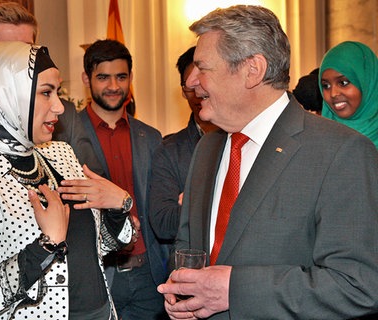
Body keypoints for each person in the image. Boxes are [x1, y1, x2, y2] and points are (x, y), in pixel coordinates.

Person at [159, 5, 378, 320]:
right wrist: (185, 291)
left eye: (203, 67)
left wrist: (235, 289)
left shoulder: (343, 153)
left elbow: (358, 284)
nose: (192, 82)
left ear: (252, 70)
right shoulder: (207, 148)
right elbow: (187, 246)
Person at [0, 41, 134, 319]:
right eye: (46, 93)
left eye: (58, 92)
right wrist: (46, 245)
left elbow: (97, 247)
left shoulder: (61, 154)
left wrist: (118, 207)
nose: (58, 107)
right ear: (7, 96)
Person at [58, 39, 167, 320]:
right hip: (98, 275)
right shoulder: (64, 138)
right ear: (86, 79)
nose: (113, 86)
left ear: (130, 78)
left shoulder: (152, 137)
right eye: (103, 77)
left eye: (121, 77)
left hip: (148, 276)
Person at [0, 1, 104, 175]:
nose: (19, 58)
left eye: (26, 48)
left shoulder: (65, 115)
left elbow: (93, 183)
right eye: (7, 50)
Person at [148, 46, 217, 245]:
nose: (198, 94)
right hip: (191, 265)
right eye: (191, 88)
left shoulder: (241, 138)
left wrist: (191, 203)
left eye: (204, 84)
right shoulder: (169, 150)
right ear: (183, 91)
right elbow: (163, 223)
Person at [319, 41, 378, 149]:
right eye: (326, 86)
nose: (333, 93)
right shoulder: (316, 138)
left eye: (343, 83)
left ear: (367, 83)